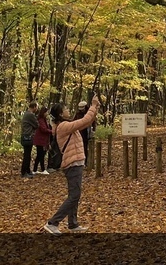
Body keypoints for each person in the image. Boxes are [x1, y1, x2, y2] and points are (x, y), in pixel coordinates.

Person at [42, 95, 100, 235]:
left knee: (75, 194)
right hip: (72, 164)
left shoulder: (65, 126)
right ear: (61, 114)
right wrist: (92, 106)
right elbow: (84, 120)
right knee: (74, 195)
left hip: (76, 162)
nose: (68, 110)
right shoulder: (63, 127)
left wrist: (95, 107)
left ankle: (73, 224)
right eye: (66, 109)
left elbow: (87, 122)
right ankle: (53, 222)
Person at [20, 102, 38, 179]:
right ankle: (24, 172)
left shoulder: (26, 114)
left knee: (27, 154)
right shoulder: (30, 115)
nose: (37, 109)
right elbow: (37, 125)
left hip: (25, 136)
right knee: (27, 155)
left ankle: (27, 170)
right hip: (28, 136)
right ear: (34, 107)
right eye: (37, 107)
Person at [33, 106, 52, 175]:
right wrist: (51, 131)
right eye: (46, 112)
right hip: (40, 140)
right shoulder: (40, 120)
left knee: (39, 155)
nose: (47, 113)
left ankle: (35, 169)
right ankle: (43, 169)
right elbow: (43, 129)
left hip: (42, 140)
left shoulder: (44, 120)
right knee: (41, 155)